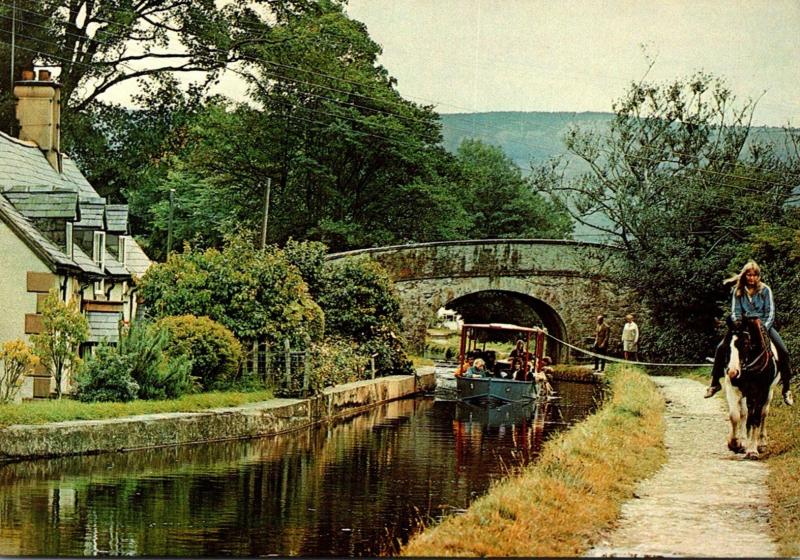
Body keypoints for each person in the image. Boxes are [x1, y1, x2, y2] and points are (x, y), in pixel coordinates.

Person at [704, 260, 794, 406]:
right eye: (749, 275)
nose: (752, 278)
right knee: (721, 347)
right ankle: (715, 382)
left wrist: (762, 327)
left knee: (783, 351)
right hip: (742, 327)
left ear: (758, 276)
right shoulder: (737, 291)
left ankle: (786, 389)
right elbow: (735, 312)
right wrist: (738, 325)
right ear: (745, 275)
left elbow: (770, 312)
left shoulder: (766, 290)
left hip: (763, 326)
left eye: (754, 275)